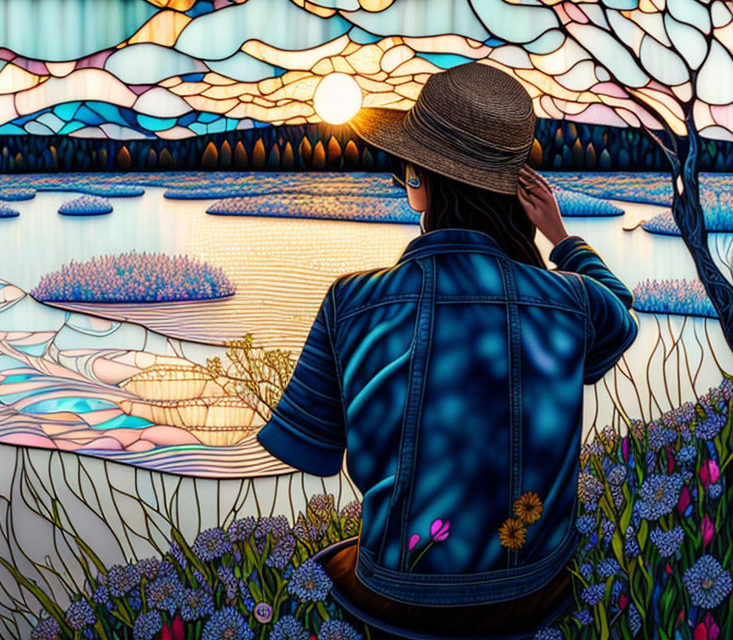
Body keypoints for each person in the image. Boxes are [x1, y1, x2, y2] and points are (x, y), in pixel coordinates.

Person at [256, 63, 638, 639]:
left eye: (406, 173)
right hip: (534, 588)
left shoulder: (351, 302)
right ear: (521, 193)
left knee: (335, 563)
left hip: (397, 595)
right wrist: (563, 239)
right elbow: (622, 316)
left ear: (419, 181)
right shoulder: (573, 302)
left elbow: (308, 450)